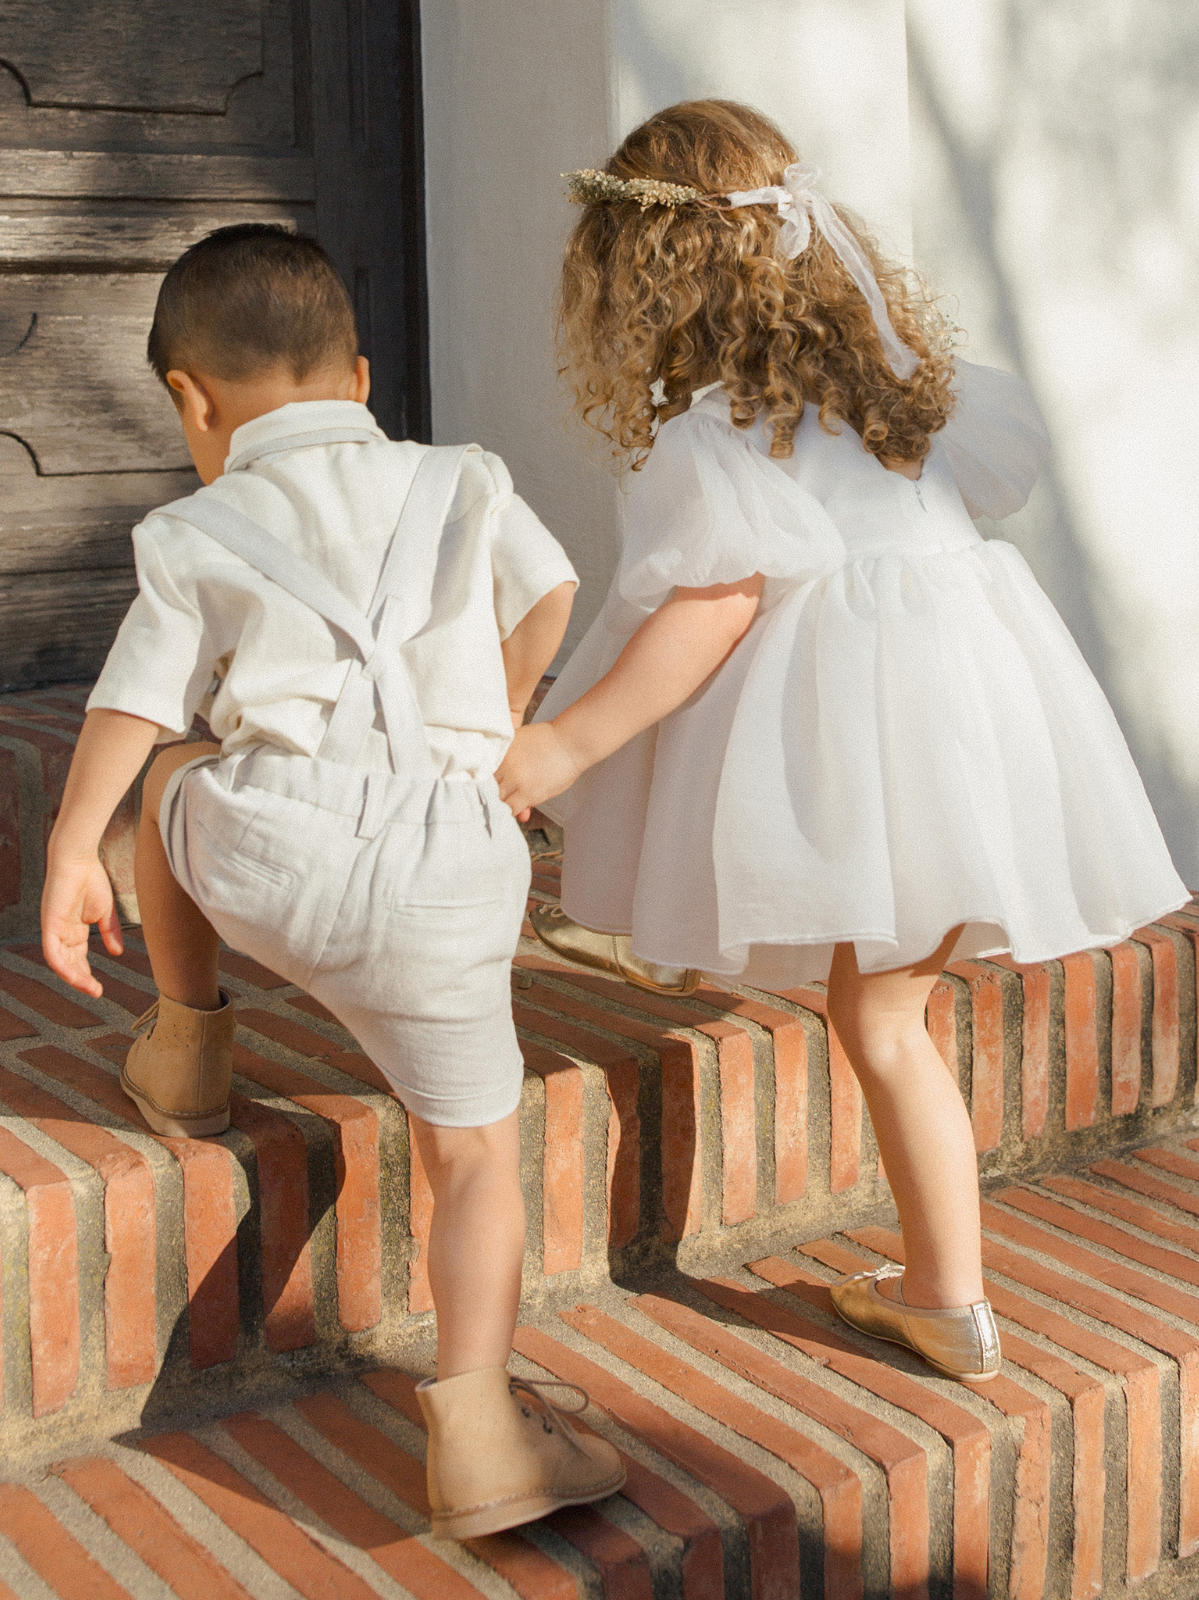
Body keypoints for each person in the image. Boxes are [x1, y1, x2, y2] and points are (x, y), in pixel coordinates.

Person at [497, 101, 1188, 1382]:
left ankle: (946, 1298)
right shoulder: (906, 399)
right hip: (976, 723)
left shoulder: (716, 437)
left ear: (648, 275)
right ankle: (939, 1284)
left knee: (877, 1023)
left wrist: (560, 749)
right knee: (893, 1011)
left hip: (890, 740)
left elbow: (707, 617)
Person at [40, 224, 624, 1535]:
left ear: (192, 402)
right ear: (359, 380)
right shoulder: (463, 478)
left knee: (180, 768)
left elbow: (135, 702)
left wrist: (77, 850)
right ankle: (475, 1427)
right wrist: (494, 725)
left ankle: (188, 1038)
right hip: (445, 879)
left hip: (263, 861)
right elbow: (552, 590)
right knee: (474, 1159)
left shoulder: (201, 522)